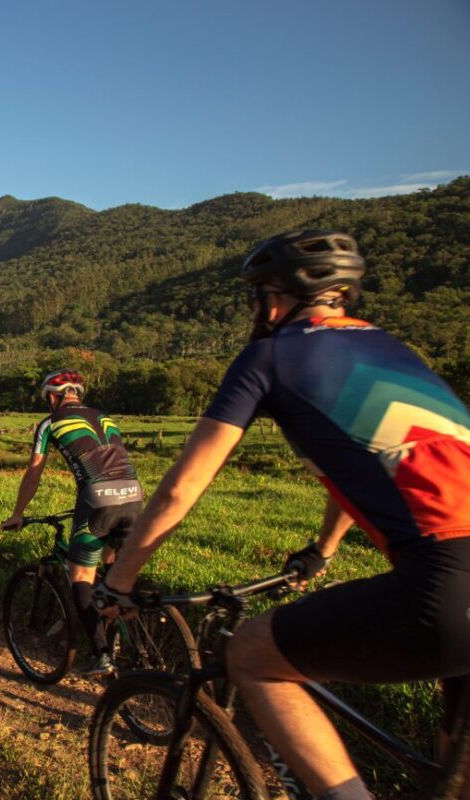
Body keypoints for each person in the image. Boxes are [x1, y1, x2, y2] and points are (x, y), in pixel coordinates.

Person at [98, 230, 470, 800]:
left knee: (251, 654)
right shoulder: (394, 349)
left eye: (256, 295)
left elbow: (181, 489)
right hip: (452, 578)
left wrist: (121, 579)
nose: (255, 309)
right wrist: (324, 549)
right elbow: (358, 464)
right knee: (451, 771)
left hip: (447, 576)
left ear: (278, 297)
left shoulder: (269, 357)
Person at [0, 368, 144, 674]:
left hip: (97, 500)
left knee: (81, 575)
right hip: (134, 496)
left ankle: (102, 652)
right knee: (111, 564)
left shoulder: (50, 423)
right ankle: (131, 628)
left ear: (52, 397)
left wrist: (18, 513)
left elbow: (34, 472)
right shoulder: (104, 416)